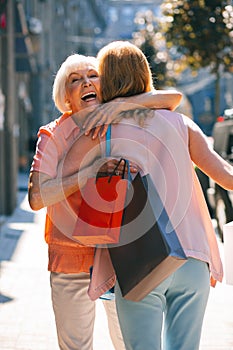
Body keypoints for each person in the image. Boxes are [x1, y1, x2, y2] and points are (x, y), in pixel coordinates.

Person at [65, 41, 233, 350]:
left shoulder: (101, 131)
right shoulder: (182, 124)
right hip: (192, 258)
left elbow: (59, 181)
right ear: (145, 76)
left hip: (138, 259)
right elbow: (226, 176)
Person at [28, 52, 182, 350]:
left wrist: (121, 105)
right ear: (66, 96)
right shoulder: (52, 135)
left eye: (92, 75)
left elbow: (172, 98)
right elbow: (36, 198)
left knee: (127, 343)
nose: (86, 82)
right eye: (76, 80)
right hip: (70, 256)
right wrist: (89, 173)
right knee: (75, 346)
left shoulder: (119, 117)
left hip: (120, 255)